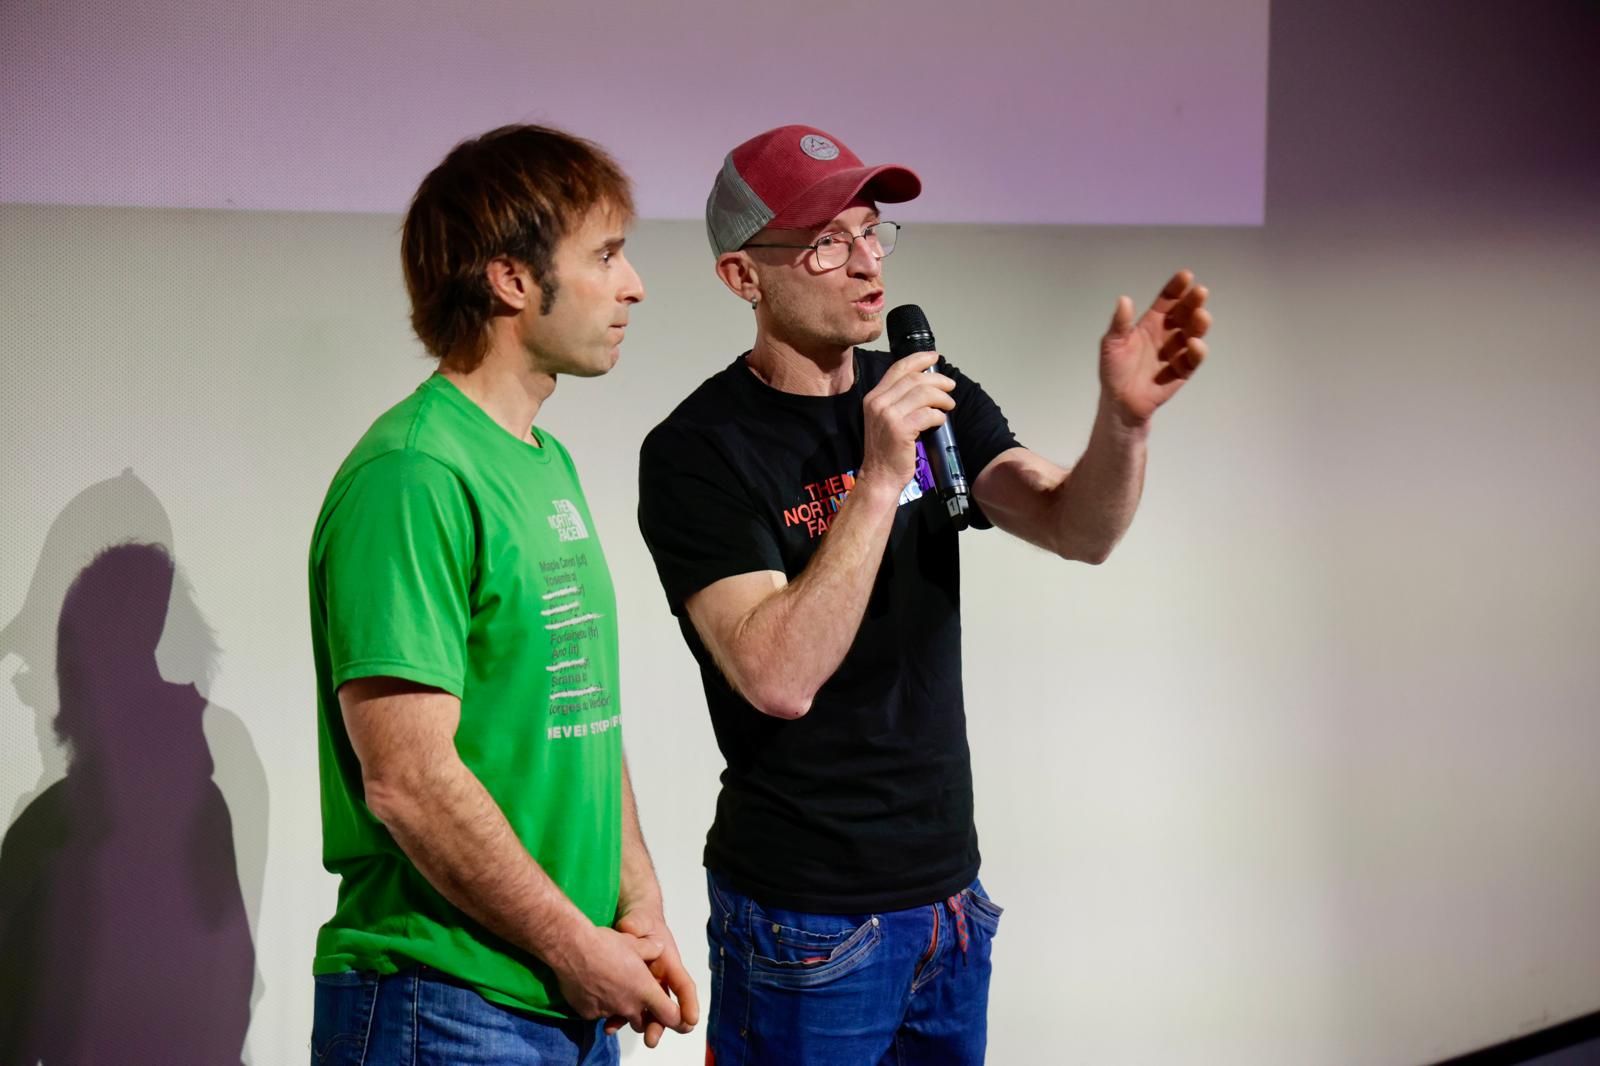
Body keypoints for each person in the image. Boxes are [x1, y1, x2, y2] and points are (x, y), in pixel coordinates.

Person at [636, 124, 1210, 1064]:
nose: (866, 262)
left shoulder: (924, 389)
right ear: (744, 278)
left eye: (871, 231)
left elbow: (1077, 526)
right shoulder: (699, 451)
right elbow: (777, 675)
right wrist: (875, 477)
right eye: (826, 241)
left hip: (948, 898)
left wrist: (1125, 424)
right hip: (805, 920)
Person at [307, 123, 697, 1065]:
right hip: (441, 1004)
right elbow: (406, 780)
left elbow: (581, 710)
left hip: (563, 992)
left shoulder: (543, 460)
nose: (634, 284)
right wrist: (575, 945)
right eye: (605, 254)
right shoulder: (413, 472)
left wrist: (635, 903)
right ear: (511, 280)